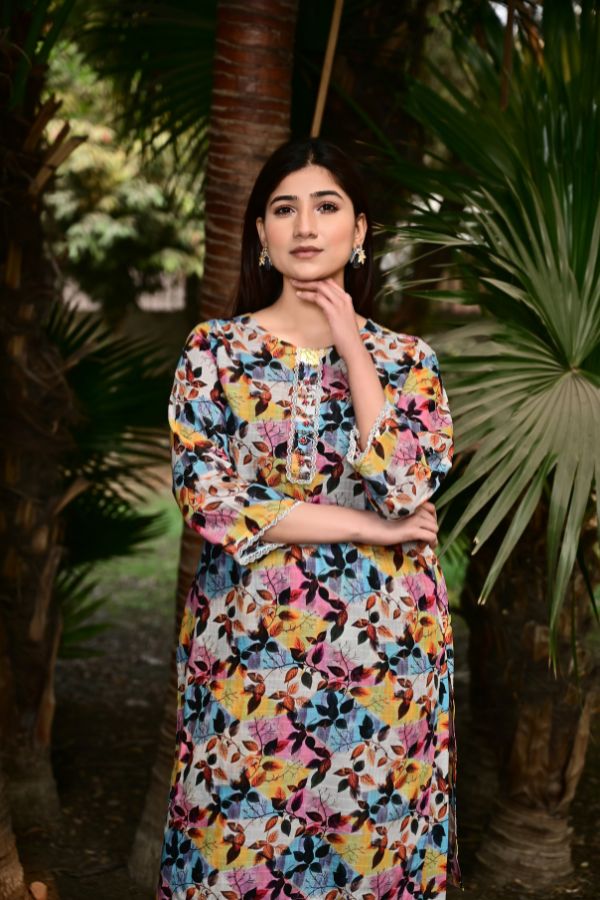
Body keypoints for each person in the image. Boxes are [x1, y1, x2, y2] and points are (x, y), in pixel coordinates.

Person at [157, 138, 461, 900]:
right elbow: (211, 501)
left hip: (385, 659)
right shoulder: (214, 353)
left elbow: (406, 482)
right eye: (284, 208)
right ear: (260, 233)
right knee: (235, 849)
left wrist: (353, 343)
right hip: (249, 651)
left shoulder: (409, 361)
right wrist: (368, 529)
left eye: (326, 207)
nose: (304, 226)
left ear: (360, 230)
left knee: (372, 850)